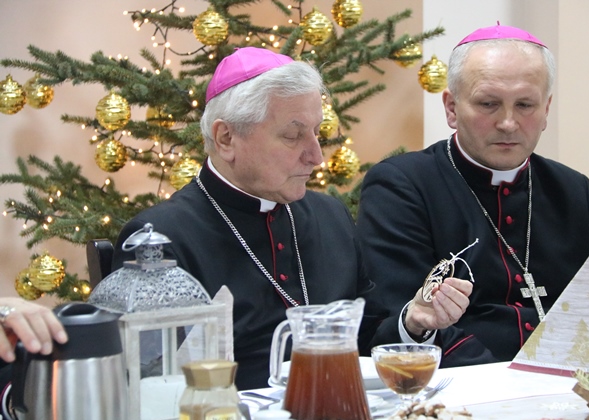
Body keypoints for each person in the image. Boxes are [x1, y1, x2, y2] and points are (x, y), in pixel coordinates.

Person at [111, 47, 471, 390]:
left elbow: (366, 340)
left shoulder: (330, 216)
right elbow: (150, 385)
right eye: (293, 135)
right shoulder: (161, 240)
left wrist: (413, 322)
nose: (316, 155)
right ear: (226, 138)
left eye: (317, 133)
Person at [356, 24, 589, 367]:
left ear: (546, 109)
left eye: (525, 105)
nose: (508, 123)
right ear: (452, 108)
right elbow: (403, 319)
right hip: (461, 381)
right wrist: (506, 382)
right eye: (489, 104)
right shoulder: (402, 185)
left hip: (568, 384)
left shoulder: (573, 190)